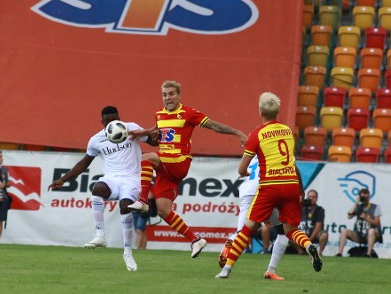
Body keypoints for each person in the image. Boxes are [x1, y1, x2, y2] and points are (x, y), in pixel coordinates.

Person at [128, 80, 248, 258]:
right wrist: (142, 133)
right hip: (165, 168)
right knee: (163, 210)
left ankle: (143, 201)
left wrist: (237, 132)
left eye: (171, 94)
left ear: (178, 95)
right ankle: (195, 240)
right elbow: (157, 129)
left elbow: (213, 125)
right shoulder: (159, 114)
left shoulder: (188, 113)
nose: (167, 98)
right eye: (164, 95)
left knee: (146, 158)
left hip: (179, 161)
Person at [216, 92, 322, 279]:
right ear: (277, 111)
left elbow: (242, 168)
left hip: (269, 186)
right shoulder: (288, 131)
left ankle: (227, 269)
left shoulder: (256, 134)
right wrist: (301, 190)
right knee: (289, 230)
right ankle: (308, 246)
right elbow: (291, 161)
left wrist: (243, 173)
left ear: (260, 111)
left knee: (247, 228)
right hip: (290, 185)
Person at [48, 106, 158, 271]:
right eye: (107, 121)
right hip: (111, 178)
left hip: (132, 179)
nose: (112, 123)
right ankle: (100, 236)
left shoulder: (131, 128)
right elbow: (84, 163)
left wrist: (154, 135)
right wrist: (64, 179)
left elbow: (153, 142)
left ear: (119, 118)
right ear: (102, 122)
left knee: (125, 207)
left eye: (115, 119)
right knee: (97, 189)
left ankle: (127, 253)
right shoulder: (96, 140)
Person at [219, 155, 292, 280]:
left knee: (242, 232)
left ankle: (228, 247)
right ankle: (271, 270)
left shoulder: (254, 156)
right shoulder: (276, 154)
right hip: (264, 194)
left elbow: (242, 169)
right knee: (283, 232)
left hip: (248, 194)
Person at [335, 187, 382, 258]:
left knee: (371, 231)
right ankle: (339, 253)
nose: (365, 199)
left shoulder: (375, 207)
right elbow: (349, 216)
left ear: (369, 197)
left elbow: (377, 223)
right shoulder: (359, 207)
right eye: (363, 197)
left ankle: (368, 254)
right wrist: (356, 203)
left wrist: (366, 218)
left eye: (366, 197)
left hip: (370, 235)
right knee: (344, 231)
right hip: (358, 234)